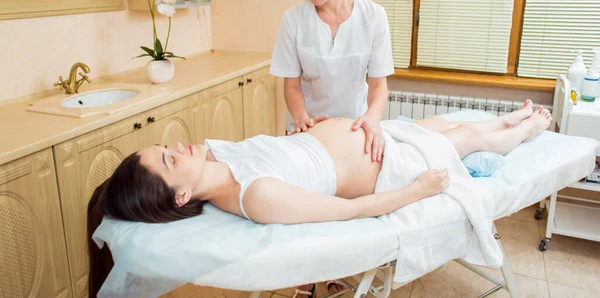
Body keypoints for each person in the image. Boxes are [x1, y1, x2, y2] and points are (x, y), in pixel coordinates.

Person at [87, 101, 551, 297]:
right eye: (169, 162)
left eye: (164, 149)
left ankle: (509, 117)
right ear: (182, 194)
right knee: (466, 135)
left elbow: (280, 152)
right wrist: (416, 191)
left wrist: (301, 134)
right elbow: (348, 210)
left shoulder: (214, 155)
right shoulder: (257, 196)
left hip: (372, 135)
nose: (177, 148)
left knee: (438, 124)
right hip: (386, 166)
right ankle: (530, 128)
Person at [270, 0, 394, 164]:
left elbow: (379, 84)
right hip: (307, 131)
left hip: (355, 130)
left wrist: (373, 117)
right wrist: (301, 118)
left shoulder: (373, 16)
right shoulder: (293, 20)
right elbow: (292, 85)